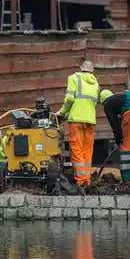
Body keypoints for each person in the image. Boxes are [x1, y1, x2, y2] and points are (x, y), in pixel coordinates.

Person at [55, 61, 99, 192]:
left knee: (77, 149)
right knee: (87, 150)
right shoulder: (96, 82)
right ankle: (87, 179)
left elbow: (69, 98)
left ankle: (81, 181)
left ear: (81, 68)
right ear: (92, 70)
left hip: (76, 120)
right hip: (90, 120)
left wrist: (62, 112)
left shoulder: (74, 78)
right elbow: (94, 103)